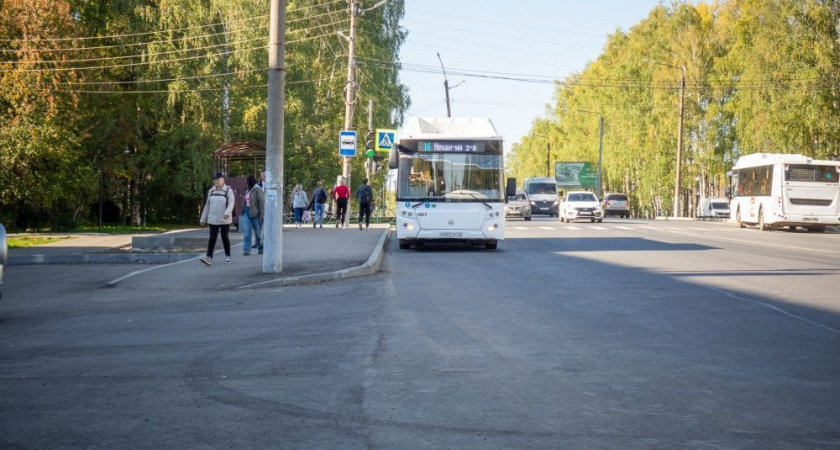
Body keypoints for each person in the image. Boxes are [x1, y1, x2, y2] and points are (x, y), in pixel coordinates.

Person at [199, 172, 235, 265]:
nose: (216, 182)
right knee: (212, 237)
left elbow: (231, 203)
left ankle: (228, 256)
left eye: (217, 180)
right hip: (213, 219)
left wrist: (227, 212)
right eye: (214, 180)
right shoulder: (211, 191)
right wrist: (203, 218)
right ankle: (209, 257)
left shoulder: (228, 190)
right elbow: (207, 205)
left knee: (225, 237)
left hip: (224, 219)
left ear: (223, 180)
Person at [241, 174, 265, 256]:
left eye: (246, 181)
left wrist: (262, 215)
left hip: (256, 213)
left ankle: (261, 247)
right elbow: (245, 200)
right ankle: (246, 250)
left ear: (250, 181)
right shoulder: (247, 189)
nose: (246, 182)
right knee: (247, 231)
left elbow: (262, 202)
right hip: (246, 212)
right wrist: (243, 209)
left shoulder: (257, 189)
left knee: (258, 232)